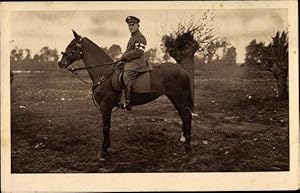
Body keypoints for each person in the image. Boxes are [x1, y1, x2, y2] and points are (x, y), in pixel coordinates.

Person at [119, 16, 152, 110]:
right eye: (129, 25)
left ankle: (128, 101)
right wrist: (121, 58)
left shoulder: (140, 37)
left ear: (138, 25)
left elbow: (139, 52)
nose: (130, 27)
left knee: (126, 74)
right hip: (131, 60)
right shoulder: (132, 38)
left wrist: (125, 56)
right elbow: (129, 50)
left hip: (138, 61)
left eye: (133, 25)